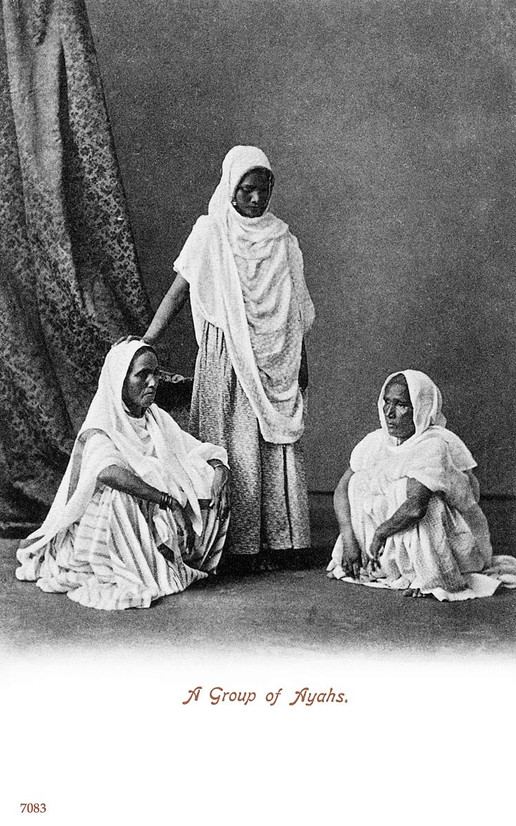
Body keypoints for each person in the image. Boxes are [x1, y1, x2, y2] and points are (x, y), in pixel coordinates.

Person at [139, 145, 315, 569]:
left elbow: (292, 310)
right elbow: (179, 290)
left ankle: (279, 543)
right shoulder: (211, 231)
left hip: (275, 353)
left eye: (263, 190)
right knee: (232, 443)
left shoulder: (283, 240)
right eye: (247, 190)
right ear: (231, 187)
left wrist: (300, 362)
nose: (256, 199)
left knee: (271, 445)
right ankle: (233, 545)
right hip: (227, 354)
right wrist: (147, 340)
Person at [16, 341, 230, 610]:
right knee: (122, 495)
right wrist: (169, 501)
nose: (153, 383)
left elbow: (195, 449)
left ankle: (182, 556)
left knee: (207, 476)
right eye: (142, 375)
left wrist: (221, 470)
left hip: (149, 510)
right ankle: (134, 564)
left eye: (155, 374)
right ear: (120, 379)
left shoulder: (154, 418)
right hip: (101, 522)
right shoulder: (102, 422)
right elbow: (107, 472)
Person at [327, 370, 516, 600]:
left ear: (421, 407)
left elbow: (416, 507)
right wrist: (349, 540)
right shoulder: (375, 441)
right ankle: (381, 563)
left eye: (401, 405)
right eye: (386, 402)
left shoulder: (434, 443)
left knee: (421, 498)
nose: (389, 413)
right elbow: (342, 489)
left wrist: (379, 534)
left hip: (449, 541)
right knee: (358, 482)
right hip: (394, 536)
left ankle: (432, 575)